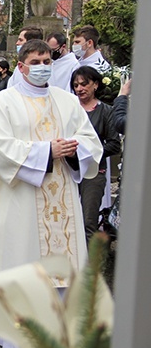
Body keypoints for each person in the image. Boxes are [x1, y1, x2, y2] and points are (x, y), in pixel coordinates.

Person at [0, 39, 103, 348]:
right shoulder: (4, 101)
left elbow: (92, 142)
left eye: (48, 60)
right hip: (21, 202)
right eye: (36, 62)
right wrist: (47, 151)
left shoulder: (66, 101)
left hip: (62, 202)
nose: (43, 67)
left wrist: (77, 150)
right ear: (21, 66)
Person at [70, 66, 121, 242]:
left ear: (95, 85)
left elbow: (115, 145)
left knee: (88, 222)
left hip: (93, 173)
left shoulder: (106, 111)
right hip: (69, 170)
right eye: (76, 85)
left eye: (84, 84)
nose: (79, 88)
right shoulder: (69, 109)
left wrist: (89, 153)